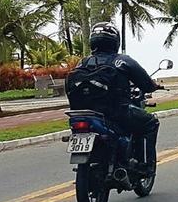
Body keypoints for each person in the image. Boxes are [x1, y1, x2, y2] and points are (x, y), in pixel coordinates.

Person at [67, 22, 162, 173]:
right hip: (117, 112)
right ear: (114, 41)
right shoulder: (122, 61)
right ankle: (147, 165)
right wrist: (154, 86)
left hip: (83, 115)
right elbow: (147, 85)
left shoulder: (82, 63)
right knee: (151, 122)